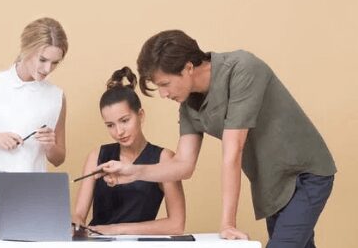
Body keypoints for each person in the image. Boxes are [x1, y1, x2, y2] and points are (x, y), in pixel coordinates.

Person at [97, 30, 336, 247]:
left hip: (305, 174)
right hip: (271, 186)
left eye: (165, 84)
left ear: (188, 67)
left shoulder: (243, 69)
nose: (163, 94)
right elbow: (183, 165)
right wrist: (132, 172)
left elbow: (233, 151)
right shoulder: (188, 104)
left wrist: (227, 224)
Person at [0, 17, 68, 232]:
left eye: (55, 63)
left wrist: (49, 145)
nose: (48, 69)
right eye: (43, 59)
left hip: (34, 188)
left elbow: (59, 158)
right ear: (27, 49)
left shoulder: (57, 96)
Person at [73, 67, 185, 235]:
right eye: (110, 125)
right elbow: (79, 215)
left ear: (140, 115)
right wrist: (74, 224)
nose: (119, 132)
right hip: (96, 243)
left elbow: (176, 225)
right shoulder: (97, 156)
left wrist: (116, 230)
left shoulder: (164, 159)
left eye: (124, 121)